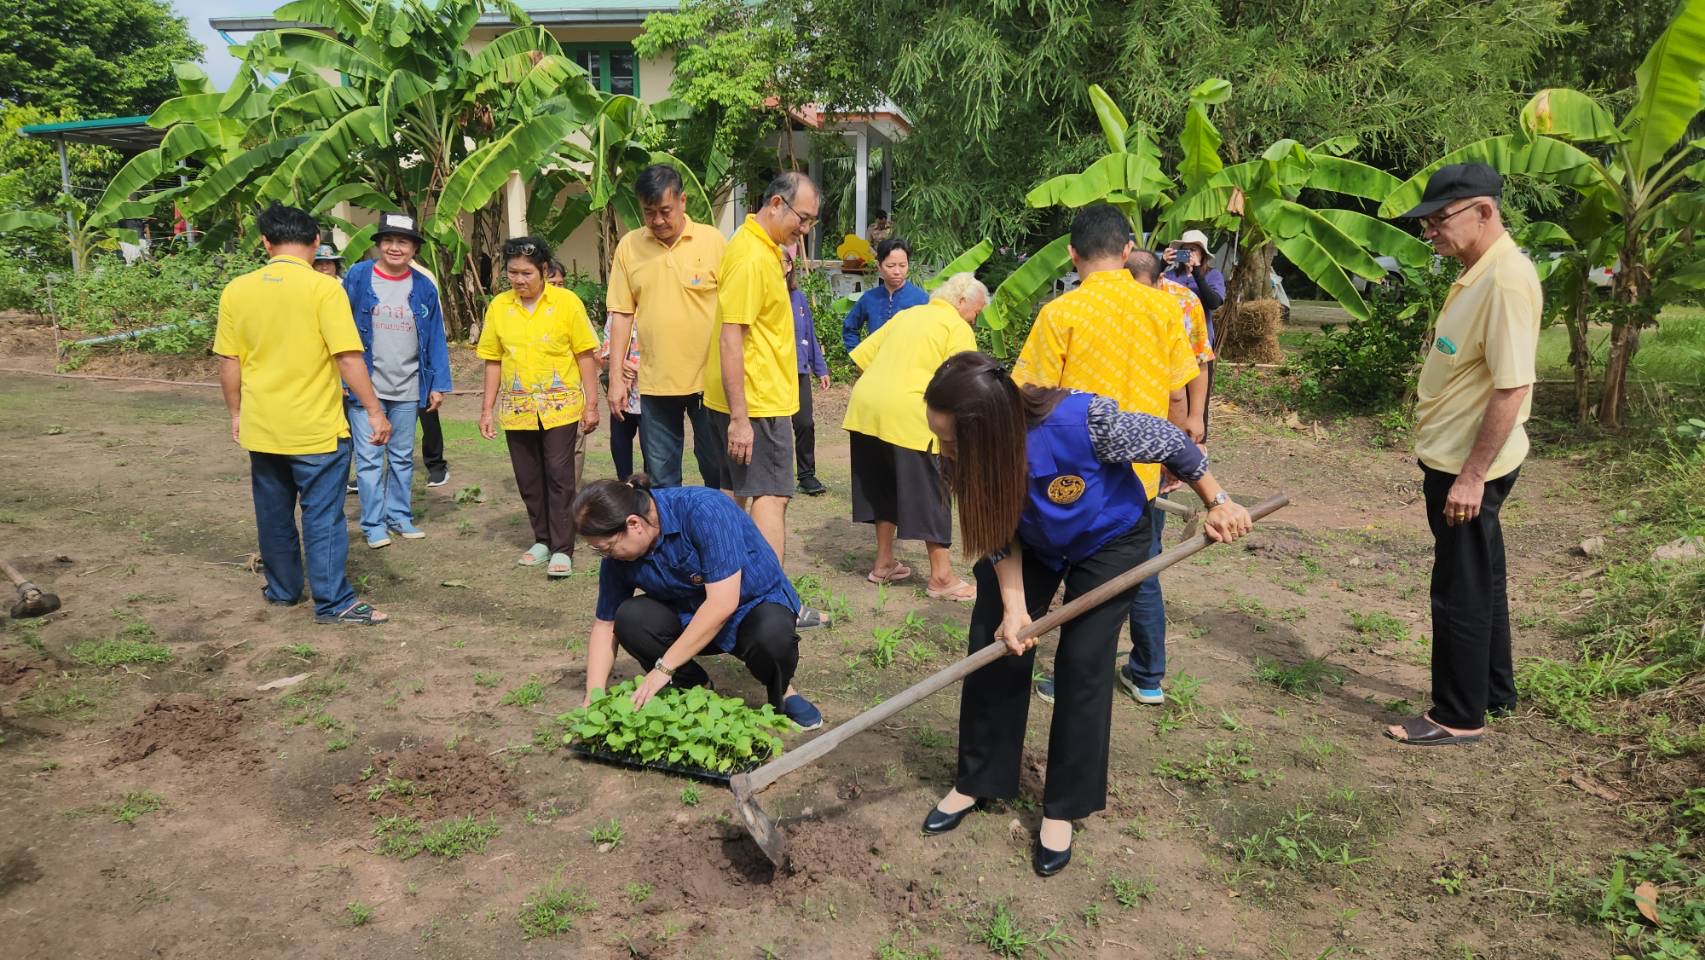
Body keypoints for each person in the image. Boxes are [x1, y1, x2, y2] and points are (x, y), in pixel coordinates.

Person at [918, 351, 1250, 875]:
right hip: (1030, 543)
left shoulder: (1087, 421)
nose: (946, 450)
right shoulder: (963, 454)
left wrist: (1218, 500)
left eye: (954, 439)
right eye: (941, 436)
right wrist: (1013, 607)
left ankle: (1064, 807)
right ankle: (977, 780)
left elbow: (1171, 442)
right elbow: (994, 531)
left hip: (1109, 538)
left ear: (993, 427)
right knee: (995, 644)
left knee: (1083, 662)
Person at [1012, 204, 1199, 708]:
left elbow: (1031, 395)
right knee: (1140, 573)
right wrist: (1173, 454)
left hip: (1071, 478)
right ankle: (1147, 673)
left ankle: (1070, 672)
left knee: (1074, 577)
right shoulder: (1163, 310)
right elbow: (1179, 395)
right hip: (1142, 472)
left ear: (1072, 255)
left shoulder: (1059, 314)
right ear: (1125, 251)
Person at [1385, 163, 1539, 746]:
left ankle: (1456, 714)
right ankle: (1492, 690)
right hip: (1457, 457)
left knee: (1459, 587)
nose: (1430, 232)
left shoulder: (1504, 280)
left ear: (1483, 211)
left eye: (1438, 219)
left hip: (1469, 466)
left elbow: (1512, 387)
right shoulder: (1479, 271)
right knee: (1483, 576)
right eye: (1426, 222)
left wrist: (1471, 477)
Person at [213, 202, 390, 626]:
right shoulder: (324, 289)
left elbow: (228, 361)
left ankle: (283, 589)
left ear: (266, 242)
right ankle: (332, 603)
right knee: (323, 516)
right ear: (314, 242)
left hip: (262, 426)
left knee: (273, 513)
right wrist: (374, 411)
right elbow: (348, 358)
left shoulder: (237, 289)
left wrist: (236, 414)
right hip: (316, 429)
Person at [574, 476, 824, 730]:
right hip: (689, 614)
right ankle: (695, 688)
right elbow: (605, 625)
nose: (607, 556)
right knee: (630, 618)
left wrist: (663, 669)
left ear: (634, 524)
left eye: (607, 548)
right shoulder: (619, 557)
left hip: (751, 606)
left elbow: (722, 604)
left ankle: (783, 691)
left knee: (773, 636)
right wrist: (593, 697)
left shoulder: (704, 509)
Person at [702, 170, 825, 632]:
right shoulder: (751, 256)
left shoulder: (762, 249)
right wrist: (740, 418)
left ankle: (727, 593)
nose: (805, 230)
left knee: (734, 498)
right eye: (803, 218)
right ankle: (773, 605)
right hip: (756, 405)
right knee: (771, 498)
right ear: (776, 203)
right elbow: (731, 337)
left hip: (749, 401)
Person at [842, 273, 984, 603]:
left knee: (884, 486)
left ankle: (884, 563)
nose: (975, 319)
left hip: (867, 409)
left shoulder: (908, 314)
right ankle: (942, 577)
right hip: (911, 414)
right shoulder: (956, 327)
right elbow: (961, 383)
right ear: (961, 302)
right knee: (933, 491)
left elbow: (863, 359)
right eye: (976, 312)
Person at [476, 236, 602, 578]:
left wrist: (592, 404)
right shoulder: (500, 307)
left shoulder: (567, 303)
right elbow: (493, 360)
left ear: (544, 270)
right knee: (529, 478)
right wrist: (487, 409)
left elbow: (585, 356)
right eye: (513, 273)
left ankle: (563, 548)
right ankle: (542, 539)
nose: (519, 280)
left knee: (560, 476)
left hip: (561, 407)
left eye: (527, 273)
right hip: (518, 410)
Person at [606, 164, 726, 489]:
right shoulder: (629, 247)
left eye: (665, 211)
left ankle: (716, 536)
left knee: (717, 470)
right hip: (655, 385)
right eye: (649, 212)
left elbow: (733, 312)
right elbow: (621, 314)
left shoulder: (713, 242)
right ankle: (671, 539)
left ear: (683, 201)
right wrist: (616, 379)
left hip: (709, 383)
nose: (657, 220)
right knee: (661, 478)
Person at [340, 212, 452, 549]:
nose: (394, 247)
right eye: (387, 240)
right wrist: (341, 377)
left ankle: (399, 516)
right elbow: (339, 328)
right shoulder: (358, 277)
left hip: (407, 385)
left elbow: (435, 338)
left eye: (402, 241)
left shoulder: (423, 286)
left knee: (402, 456)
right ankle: (373, 523)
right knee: (371, 458)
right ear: (377, 245)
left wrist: (437, 384)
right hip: (366, 385)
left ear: (414, 248)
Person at [1129, 250, 1215, 442]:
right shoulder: (1119, 298)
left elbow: (1200, 360)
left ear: (1160, 279)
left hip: (1174, 401)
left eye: (1143, 288)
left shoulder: (1185, 302)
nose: (1138, 295)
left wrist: (1195, 416)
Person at [787, 245, 830, 496]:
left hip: (799, 369)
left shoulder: (798, 297)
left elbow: (808, 334)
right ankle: (775, 477)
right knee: (774, 428)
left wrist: (819, 368)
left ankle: (806, 475)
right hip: (772, 373)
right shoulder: (764, 294)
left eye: (785, 261)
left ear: (790, 265)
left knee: (804, 423)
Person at [841, 237, 929, 351]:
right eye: (891, 266)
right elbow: (849, 328)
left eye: (902, 265)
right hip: (875, 364)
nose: (897, 271)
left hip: (909, 365)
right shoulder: (869, 298)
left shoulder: (921, 299)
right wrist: (858, 358)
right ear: (879, 266)